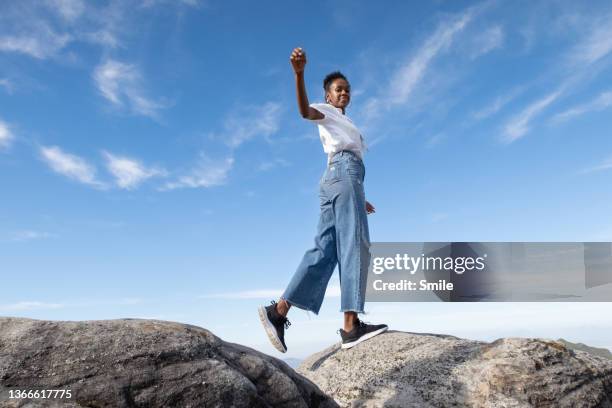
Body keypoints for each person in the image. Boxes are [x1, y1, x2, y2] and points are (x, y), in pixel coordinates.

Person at [258, 47, 388, 353]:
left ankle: (278, 311)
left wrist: (360, 197)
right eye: (338, 90)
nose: (343, 93)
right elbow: (304, 111)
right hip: (342, 175)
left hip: (339, 181)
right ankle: (350, 326)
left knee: (324, 251)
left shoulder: (343, 121)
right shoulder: (326, 112)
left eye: (347, 90)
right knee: (355, 245)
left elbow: (347, 168)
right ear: (327, 96)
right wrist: (299, 74)